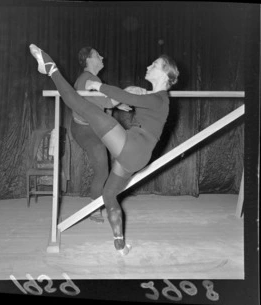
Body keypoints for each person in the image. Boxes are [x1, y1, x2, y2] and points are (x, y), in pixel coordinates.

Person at [29, 44, 179, 255]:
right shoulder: (157, 99)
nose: (148, 65)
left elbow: (130, 99)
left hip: (132, 146)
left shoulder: (159, 99)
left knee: (82, 106)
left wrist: (97, 86)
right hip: (135, 157)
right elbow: (134, 101)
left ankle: (50, 67)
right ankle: (120, 244)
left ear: (165, 73)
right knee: (109, 194)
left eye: (154, 64)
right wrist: (127, 97)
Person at [71, 47, 131, 223]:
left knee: (112, 161)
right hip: (85, 130)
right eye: (98, 55)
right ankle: (94, 208)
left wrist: (116, 105)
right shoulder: (87, 79)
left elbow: (98, 101)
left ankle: (107, 197)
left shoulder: (90, 79)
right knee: (102, 169)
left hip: (92, 127)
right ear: (89, 60)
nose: (102, 56)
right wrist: (126, 93)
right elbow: (108, 101)